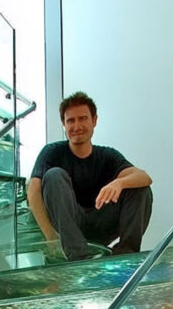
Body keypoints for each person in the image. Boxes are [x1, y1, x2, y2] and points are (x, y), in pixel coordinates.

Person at [27, 91, 153, 262]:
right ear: (64, 124)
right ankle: (79, 256)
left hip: (101, 222)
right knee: (53, 175)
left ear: (94, 121)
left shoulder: (107, 155)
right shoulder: (52, 152)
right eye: (71, 120)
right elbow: (33, 192)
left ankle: (126, 253)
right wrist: (50, 235)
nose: (77, 126)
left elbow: (144, 177)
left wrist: (119, 183)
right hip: (68, 227)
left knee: (139, 188)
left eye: (83, 118)